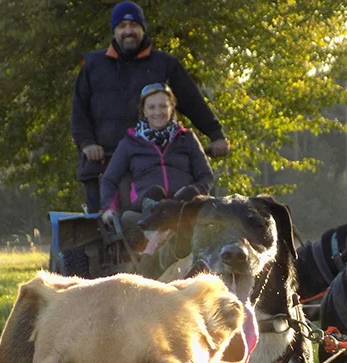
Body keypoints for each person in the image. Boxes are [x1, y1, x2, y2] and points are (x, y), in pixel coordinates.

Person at [70, 1, 230, 215]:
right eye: (122, 26)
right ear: (114, 30)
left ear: (143, 29)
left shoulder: (165, 64)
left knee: (183, 213)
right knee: (101, 231)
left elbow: (193, 102)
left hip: (151, 162)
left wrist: (216, 135)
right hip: (103, 162)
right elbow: (79, 111)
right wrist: (87, 144)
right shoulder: (92, 65)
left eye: (134, 25)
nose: (129, 31)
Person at [98, 83, 213, 222]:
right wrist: (109, 209)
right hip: (146, 208)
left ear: (171, 108)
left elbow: (206, 176)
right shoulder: (130, 142)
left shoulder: (187, 138)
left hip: (182, 205)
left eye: (163, 106)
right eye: (151, 107)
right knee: (155, 192)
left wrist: (194, 190)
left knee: (189, 193)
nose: (158, 112)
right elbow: (109, 180)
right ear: (144, 111)